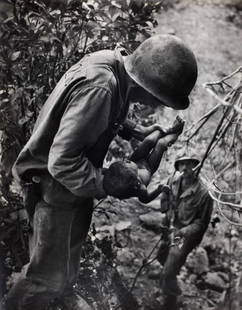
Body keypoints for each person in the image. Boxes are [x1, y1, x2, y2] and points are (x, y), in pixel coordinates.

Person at [3, 34, 198, 310]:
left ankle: (62, 294)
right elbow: (62, 162)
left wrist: (136, 131)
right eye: (162, 100)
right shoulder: (102, 87)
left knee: (66, 269)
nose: (160, 107)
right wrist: (108, 182)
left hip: (70, 188)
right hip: (54, 188)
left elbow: (103, 113)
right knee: (44, 279)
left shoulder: (113, 67)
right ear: (149, 87)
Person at [157, 155, 213, 309]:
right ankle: (167, 275)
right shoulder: (174, 179)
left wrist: (183, 232)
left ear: (196, 167)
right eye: (181, 164)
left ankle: (169, 296)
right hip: (171, 223)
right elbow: (165, 194)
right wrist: (165, 211)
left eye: (189, 164)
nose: (185, 168)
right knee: (161, 253)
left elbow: (202, 223)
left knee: (173, 259)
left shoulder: (204, 192)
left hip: (187, 234)